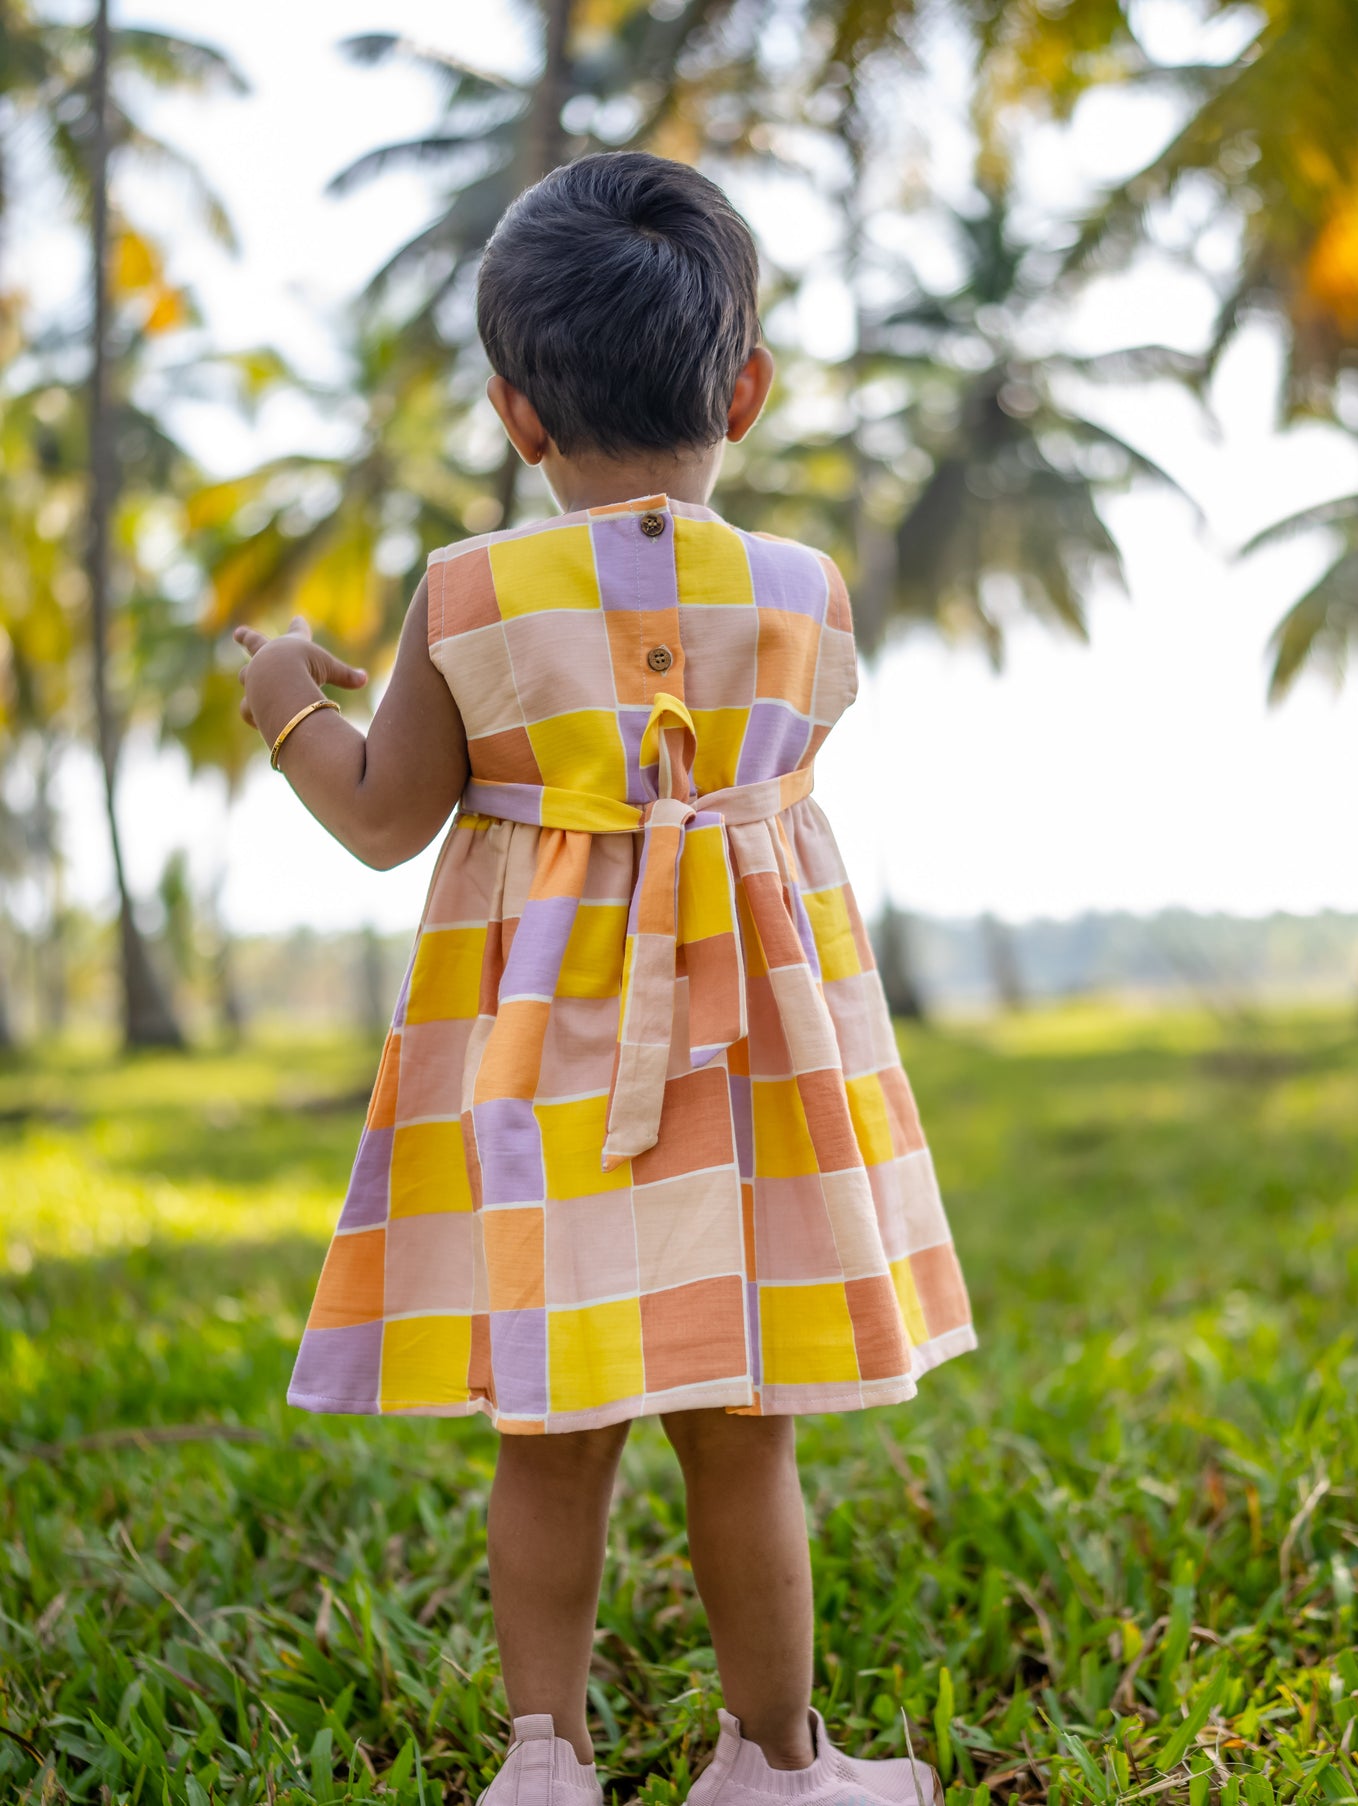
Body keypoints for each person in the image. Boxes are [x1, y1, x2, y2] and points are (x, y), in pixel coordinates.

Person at [231, 149, 976, 1806]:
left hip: (538, 1075)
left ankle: (542, 1761)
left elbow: (381, 818)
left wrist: (288, 698)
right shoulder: (803, 592)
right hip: (754, 1072)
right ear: (748, 385)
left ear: (514, 412)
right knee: (745, 1425)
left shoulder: (469, 591)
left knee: (548, 1433)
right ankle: (777, 1763)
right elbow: (764, 775)